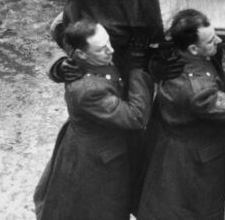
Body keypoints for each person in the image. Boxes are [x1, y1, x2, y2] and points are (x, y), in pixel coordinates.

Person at [136, 9, 225, 219]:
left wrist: (154, 64)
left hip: (174, 152)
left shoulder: (180, 54)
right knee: (188, 211)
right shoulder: (198, 89)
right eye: (211, 40)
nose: (219, 40)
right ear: (194, 49)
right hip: (190, 166)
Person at [33, 20, 154, 219]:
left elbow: (65, 32)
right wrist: (136, 69)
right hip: (96, 160)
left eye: (109, 43)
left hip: (102, 145)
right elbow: (136, 117)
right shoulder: (89, 90)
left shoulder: (93, 50)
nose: (111, 50)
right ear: (81, 54)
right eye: (101, 49)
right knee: (97, 208)